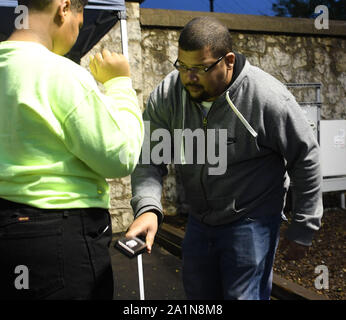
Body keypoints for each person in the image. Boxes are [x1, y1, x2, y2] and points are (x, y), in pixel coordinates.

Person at [126, 16, 323, 300]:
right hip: (199, 219)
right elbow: (149, 158)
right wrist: (147, 207)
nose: (188, 78)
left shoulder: (267, 98)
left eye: (200, 68)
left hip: (251, 220)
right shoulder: (168, 96)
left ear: (228, 61)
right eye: (183, 66)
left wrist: (304, 226)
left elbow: (305, 157)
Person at [0, 0, 143, 300]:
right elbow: (121, 155)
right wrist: (118, 83)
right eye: (79, 21)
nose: (78, 31)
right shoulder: (60, 74)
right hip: (57, 242)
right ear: (63, 8)